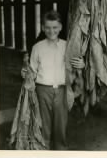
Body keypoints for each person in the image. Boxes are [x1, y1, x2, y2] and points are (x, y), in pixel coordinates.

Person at [21, 10, 85, 150]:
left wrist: (82, 64)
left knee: (60, 125)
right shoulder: (37, 48)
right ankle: (44, 150)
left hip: (62, 90)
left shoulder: (67, 46)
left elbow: (78, 65)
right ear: (43, 28)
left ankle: (60, 150)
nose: (51, 31)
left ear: (60, 27)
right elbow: (31, 71)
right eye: (48, 27)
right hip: (42, 90)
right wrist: (24, 71)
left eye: (55, 27)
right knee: (43, 124)